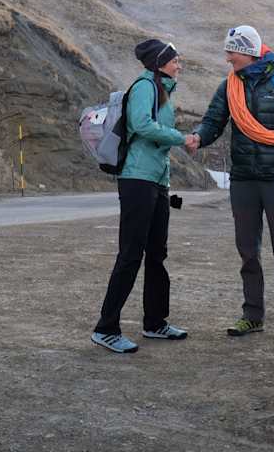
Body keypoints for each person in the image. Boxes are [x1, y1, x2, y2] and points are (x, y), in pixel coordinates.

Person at [186, 25, 274, 343]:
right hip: (244, 179)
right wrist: (198, 137)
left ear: (247, 51)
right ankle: (252, 316)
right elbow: (213, 121)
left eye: (231, 50)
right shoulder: (228, 86)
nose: (227, 56)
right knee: (248, 251)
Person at [92, 39, 198, 354]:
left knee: (156, 253)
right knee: (130, 255)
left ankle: (155, 322)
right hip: (137, 179)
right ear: (159, 62)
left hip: (156, 180)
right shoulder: (144, 87)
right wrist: (182, 138)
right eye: (175, 60)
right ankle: (105, 328)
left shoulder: (163, 90)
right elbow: (141, 125)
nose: (179, 65)